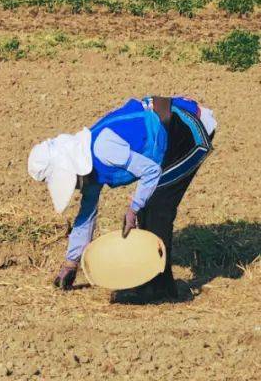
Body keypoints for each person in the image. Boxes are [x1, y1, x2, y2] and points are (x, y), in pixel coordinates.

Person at [29, 95, 216, 303]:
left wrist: (133, 208)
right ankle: (152, 283)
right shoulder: (88, 168)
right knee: (149, 206)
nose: (73, 186)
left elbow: (151, 172)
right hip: (166, 138)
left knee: (156, 208)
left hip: (187, 131)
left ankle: (161, 289)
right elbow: (86, 215)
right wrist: (71, 263)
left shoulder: (102, 149)